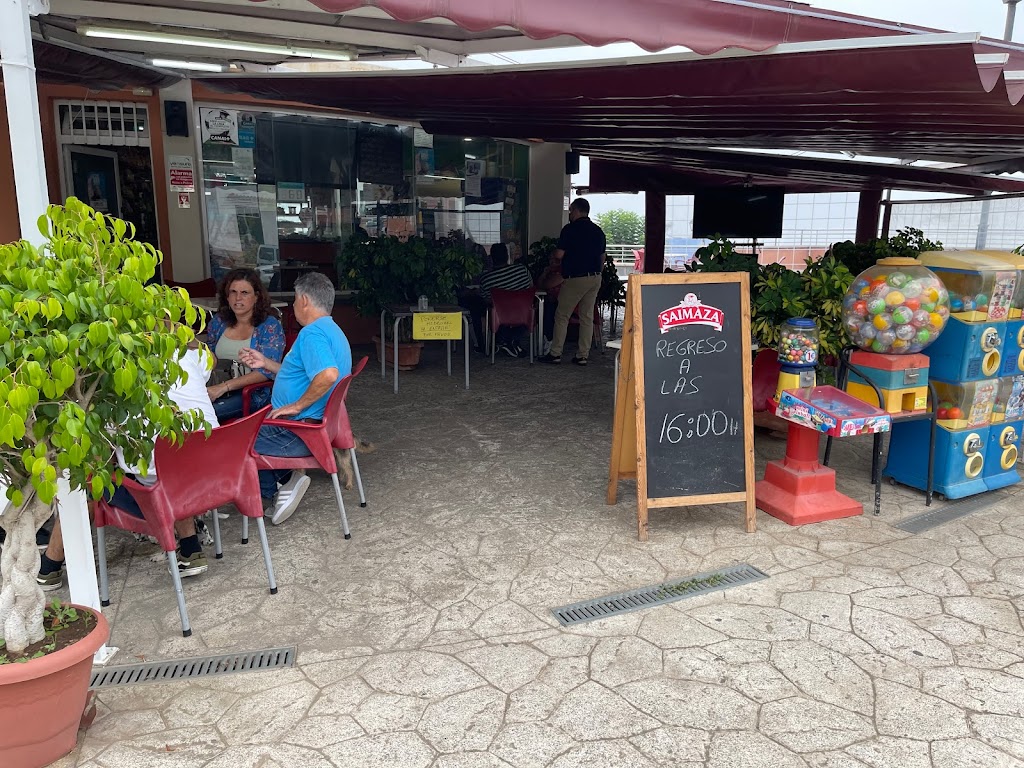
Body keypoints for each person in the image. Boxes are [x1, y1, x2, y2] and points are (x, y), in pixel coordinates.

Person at [38, 344, 220, 590]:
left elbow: (105, 451)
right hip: (216, 477)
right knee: (172, 465)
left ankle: (49, 567)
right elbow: (212, 361)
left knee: (88, 482)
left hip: (160, 494)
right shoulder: (188, 355)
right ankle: (190, 548)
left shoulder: (113, 384)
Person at [238, 272, 352, 526]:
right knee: (247, 426)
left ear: (303, 300)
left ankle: (273, 490)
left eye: (293, 301)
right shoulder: (332, 330)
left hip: (295, 433)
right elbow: (304, 373)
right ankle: (283, 485)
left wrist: (297, 405)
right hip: (314, 429)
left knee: (232, 443)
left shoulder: (312, 334)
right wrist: (265, 363)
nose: (293, 306)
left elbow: (328, 374)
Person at [205, 268, 285, 422]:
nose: (238, 298)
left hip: (253, 394)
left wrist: (224, 387)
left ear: (256, 296)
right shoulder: (218, 322)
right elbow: (210, 355)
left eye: (244, 293)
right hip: (217, 385)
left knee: (202, 414)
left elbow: (266, 372)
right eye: (233, 292)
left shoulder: (269, 326)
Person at [538, 198, 607, 366]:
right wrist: (597, 273)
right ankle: (582, 355)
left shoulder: (569, 230)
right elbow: (602, 257)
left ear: (576, 211)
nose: (569, 214)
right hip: (595, 277)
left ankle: (555, 353)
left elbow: (560, 255)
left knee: (562, 315)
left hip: (576, 277)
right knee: (587, 317)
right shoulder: (598, 231)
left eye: (570, 211)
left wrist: (554, 254)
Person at [479, 243, 534, 357]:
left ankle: (504, 340)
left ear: (492, 258)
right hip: (523, 314)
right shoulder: (522, 270)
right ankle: (511, 340)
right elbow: (530, 288)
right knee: (531, 308)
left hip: (500, 317)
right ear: (507, 256)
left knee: (492, 310)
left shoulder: (486, 279)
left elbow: (486, 300)